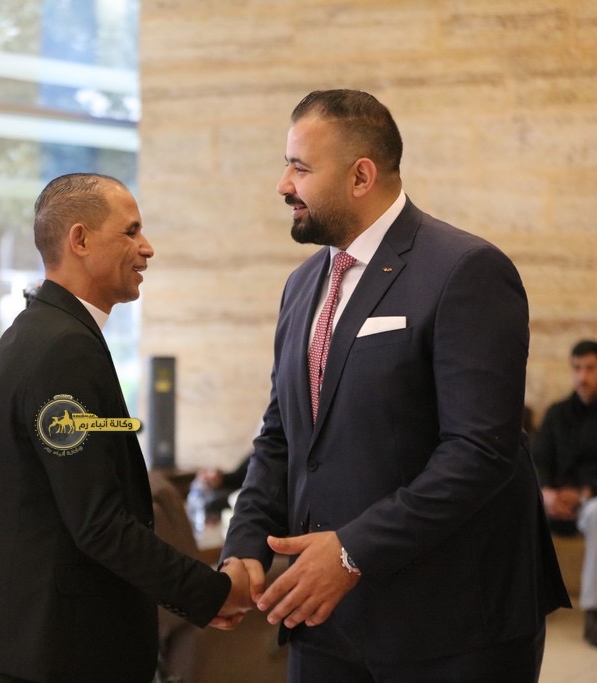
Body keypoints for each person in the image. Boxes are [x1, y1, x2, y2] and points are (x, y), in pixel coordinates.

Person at [219, 89, 569, 682]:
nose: (283, 185)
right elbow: (281, 434)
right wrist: (244, 547)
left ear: (361, 176)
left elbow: (479, 452)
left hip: (452, 624)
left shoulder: (465, 269)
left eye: (300, 167)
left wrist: (352, 552)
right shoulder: (302, 285)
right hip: (323, 622)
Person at [0, 173, 252, 683]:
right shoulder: (63, 348)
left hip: (31, 641)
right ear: (80, 240)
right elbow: (99, 522)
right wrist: (212, 592)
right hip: (55, 652)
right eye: (131, 231)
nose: (147, 248)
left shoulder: (40, 331)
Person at [533, 339, 597, 645]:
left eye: (590, 368)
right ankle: (530, 603)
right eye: (577, 368)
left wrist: (584, 494)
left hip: (591, 502)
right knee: (517, 509)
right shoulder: (556, 413)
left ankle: (593, 610)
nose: (582, 376)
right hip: (554, 502)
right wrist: (545, 494)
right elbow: (539, 460)